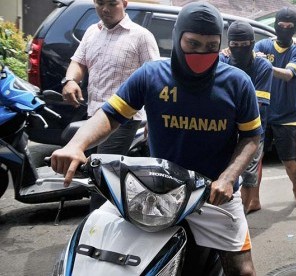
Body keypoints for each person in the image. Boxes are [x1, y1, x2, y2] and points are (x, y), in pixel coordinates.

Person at [51, 2, 260, 275]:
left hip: (212, 195)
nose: (201, 54)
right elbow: (110, 115)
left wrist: (228, 178)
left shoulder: (238, 83)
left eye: (211, 46)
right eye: (193, 44)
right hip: (154, 191)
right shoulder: (152, 75)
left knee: (243, 271)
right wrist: (76, 145)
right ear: (177, 37)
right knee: (97, 248)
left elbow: (251, 137)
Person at [61, 0, 160, 210]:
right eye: (100, 3)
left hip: (123, 121)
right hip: (94, 116)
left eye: (112, 3)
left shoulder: (141, 36)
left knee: (101, 175)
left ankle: (96, 226)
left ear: (124, 3)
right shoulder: (91, 32)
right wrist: (70, 80)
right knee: (97, 172)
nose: (105, 9)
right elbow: (78, 62)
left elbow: (155, 81)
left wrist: (153, 118)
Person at [254, 7, 296, 210]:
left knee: (289, 161)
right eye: (281, 26)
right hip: (262, 112)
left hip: (287, 114)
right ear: (275, 26)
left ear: (294, 28)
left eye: (289, 27)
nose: (284, 30)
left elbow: (288, 74)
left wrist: (263, 64)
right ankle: (255, 198)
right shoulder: (262, 45)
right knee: (256, 159)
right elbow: (244, 58)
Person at [220, 21, 273, 214]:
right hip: (225, 128)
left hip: (252, 131)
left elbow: (256, 107)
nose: (239, 50)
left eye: (245, 45)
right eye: (235, 45)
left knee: (248, 173)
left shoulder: (263, 66)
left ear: (252, 43)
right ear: (228, 44)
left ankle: (242, 214)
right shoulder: (222, 60)